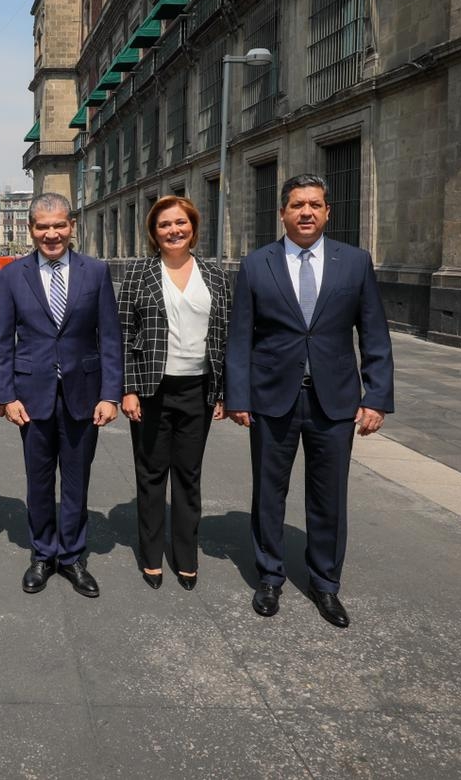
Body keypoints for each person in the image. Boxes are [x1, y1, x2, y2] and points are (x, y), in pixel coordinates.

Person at [226, 174, 395, 629]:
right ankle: (269, 577)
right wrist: (237, 395)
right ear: (282, 213)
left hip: (335, 402)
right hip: (271, 399)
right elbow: (240, 336)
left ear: (327, 212)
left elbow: (374, 333)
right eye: (297, 204)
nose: (306, 212)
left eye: (315, 205)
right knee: (269, 493)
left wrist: (376, 396)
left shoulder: (355, 263)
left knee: (329, 497)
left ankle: (325, 584)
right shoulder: (257, 264)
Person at [0, 193, 122, 598]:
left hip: (84, 393)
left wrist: (111, 394)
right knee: (39, 480)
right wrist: (7, 395)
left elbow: (111, 338)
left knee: (77, 480)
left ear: (71, 226)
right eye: (43, 226)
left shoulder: (95, 272)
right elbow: (1, 342)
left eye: (59, 225)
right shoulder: (13, 276)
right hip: (31, 396)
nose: (52, 233)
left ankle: (72, 556)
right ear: (31, 230)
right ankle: (43, 553)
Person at [118, 196, 230, 593]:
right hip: (152, 388)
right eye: (164, 225)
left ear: (193, 227)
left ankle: (186, 555)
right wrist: (127, 389)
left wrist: (221, 392)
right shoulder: (139, 274)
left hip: (197, 388)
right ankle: (151, 555)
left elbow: (223, 337)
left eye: (180, 223)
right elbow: (123, 333)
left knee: (189, 476)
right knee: (151, 475)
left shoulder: (215, 277)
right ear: (154, 233)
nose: (173, 230)